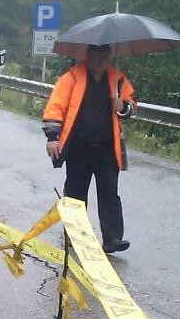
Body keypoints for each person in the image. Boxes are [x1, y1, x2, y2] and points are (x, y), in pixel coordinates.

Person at [42, 43, 136, 253]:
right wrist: (52, 138)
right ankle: (76, 235)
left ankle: (112, 238)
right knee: (75, 193)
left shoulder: (118, 80)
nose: (99, 58)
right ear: (88, 55)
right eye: (95, 53)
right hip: (78, 147)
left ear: (108, 55)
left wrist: (123, 106)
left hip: (107, 148)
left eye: (104, 54)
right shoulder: (71, 78)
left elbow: (131, 105)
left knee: (109, 193)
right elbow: (55, 107)